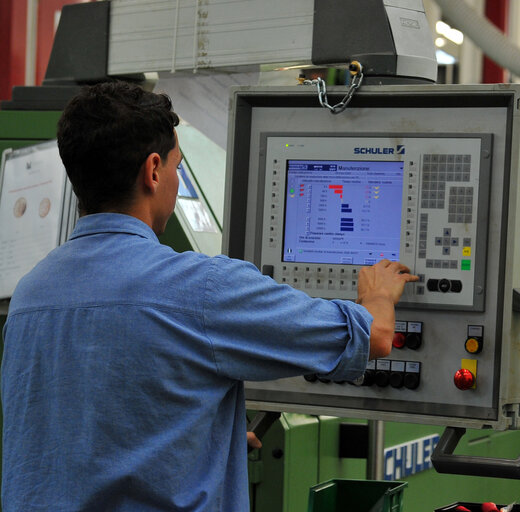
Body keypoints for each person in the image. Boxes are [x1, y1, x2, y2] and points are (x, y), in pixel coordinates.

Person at [1, 81, 418, 510]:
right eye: (178, 166)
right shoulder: (201, 288)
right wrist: (379, 296)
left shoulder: (31, 293)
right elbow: (375, 337)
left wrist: (203, 431)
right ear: (154, 170)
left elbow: (82, 429)